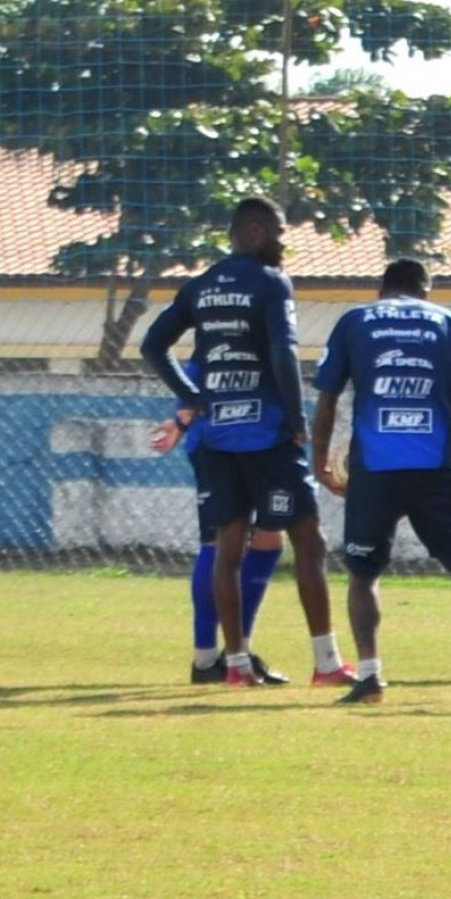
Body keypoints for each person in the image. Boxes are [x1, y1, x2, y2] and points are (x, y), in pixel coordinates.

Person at [140, 195, 352, 688]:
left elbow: (153, 345)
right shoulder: (270, 282)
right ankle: (325, 663)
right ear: (255, 232)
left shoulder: (200, 286)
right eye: (279, 232)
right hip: (265, 432)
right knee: (308, 539)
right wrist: (297, 418)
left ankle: (234, 665)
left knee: (227, 547)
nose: (284, 243)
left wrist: (192, 396)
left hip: (216, 436)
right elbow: (283, 349)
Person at [308, 260, 451, 703]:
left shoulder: (356, 321)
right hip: (436, 465)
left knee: (364, 570)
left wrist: (320, 458)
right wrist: (427, 422)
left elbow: (328, 395)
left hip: (375, 466)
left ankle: (370, 675)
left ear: (384, 290)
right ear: (424, 290)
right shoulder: (444, 321)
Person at [149, 379, 287, 684]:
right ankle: (205, 659)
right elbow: (192, 375)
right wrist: (180, 420)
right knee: (219, 542)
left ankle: (238, 652)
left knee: (269, 539)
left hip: (262, 441)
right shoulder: (216, 335)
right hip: (217, 444)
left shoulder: (266, 337)